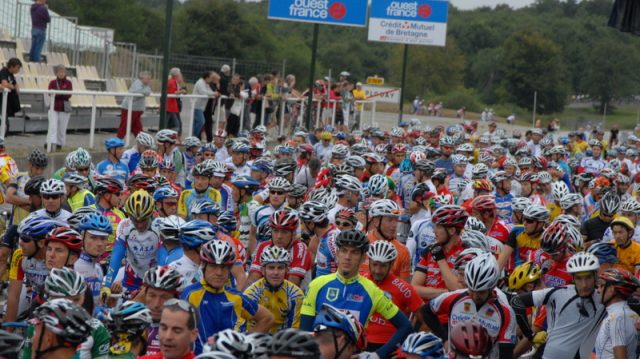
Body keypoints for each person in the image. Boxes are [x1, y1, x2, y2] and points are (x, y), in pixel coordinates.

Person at [300, 229, 412, 359]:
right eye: (344, 251)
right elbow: (305, 331)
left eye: (354, 252)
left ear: (363, 258)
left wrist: (377, 355)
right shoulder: (317, 284)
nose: (347, 257)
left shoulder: (372, 290)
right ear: (337, 253)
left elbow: (405, 326)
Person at [181, 240, 274, 354]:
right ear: (203, 266)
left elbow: (267, 318)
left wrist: (247, 346)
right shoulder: (189, 294)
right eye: (213, 266)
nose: (219, 272)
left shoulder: (236, 297)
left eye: (224, 267)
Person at [510, 251, 605, 359]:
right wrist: (530, 336)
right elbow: (516, 301)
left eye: (588, 277)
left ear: (595, 276)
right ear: (572, 278)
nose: (584, 285)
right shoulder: (558, 293)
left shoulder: (604, 298)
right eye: (579, 278)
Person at [422, 252, 516, 358]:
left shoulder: (506, 312)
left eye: (480, 292)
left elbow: (506, 352)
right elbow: (426, 311)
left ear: (491, 287)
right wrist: (445, 338)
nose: (475, 296)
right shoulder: (455, 297)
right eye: (471, 290)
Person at [363, 240, 423, 352]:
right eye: (374, 264)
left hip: (390, 346)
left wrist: (410, 345)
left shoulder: (404, 288)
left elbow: (426, 319)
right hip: (362, 342)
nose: (377, 270)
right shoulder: (361, 281)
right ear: (369, 261)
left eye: (383, 266)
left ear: (392, 264)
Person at [243, 245, 304, 334]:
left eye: (280, 268)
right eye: (271, 267)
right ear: (263, 270)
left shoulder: (296, 294)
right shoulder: (251, 293)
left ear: (287, 270)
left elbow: (294, 329)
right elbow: (241, 326)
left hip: (282, 342)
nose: (276, 272)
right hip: (255, 340)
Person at [248, 208, 312, 288]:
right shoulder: (263, 246)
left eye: (284, 232)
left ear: (294, 234)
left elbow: (293, 283)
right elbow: (253, 279)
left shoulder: (300, 248)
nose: (279, 236)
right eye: (275, 231)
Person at [594, 268, 640, 359]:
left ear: (611, 289)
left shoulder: (617, 317)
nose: (598, 290)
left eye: (601, 286)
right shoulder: (630, 314)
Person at [139, 266, 183, 356]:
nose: (156, 304)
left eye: (164, 297)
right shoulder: (130, 324)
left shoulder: (183, 332)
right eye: (152, 295)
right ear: (145, 294)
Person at [75, 212, 112, 302]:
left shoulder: (99, 268)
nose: (99, 243)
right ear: (82, 237)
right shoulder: (73, 266)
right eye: (93, 237)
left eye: (103, 239)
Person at [118, 72, 152, 139]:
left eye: (149, 79)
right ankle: (118, 140)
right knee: (125, 125)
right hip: (130, 108)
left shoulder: (145, 85)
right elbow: (139, 92)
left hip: (136, 109)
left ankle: (142, 141)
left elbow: (148, 91)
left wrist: (145, 91)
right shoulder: (137, 83)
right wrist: (145, 91)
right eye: (147, 78)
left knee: (136, 127)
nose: (149, 80)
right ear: (142, 78)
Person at [46, 65, 72, 151]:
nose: (61, 73)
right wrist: (61, 94)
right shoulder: (52, 82)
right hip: (53, 107)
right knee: (52, 126)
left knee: (62, 128)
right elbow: (50, 93)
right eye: (59, 72)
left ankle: (59, 144)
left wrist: (58, 94)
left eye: (63, 72)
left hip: (64, 108)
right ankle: (51, 143)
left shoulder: (68, 83)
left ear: (65, 73)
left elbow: (68, 94)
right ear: (56, 73)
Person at [192, 71, 219, 138]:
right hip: (196, 106)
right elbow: (203, 92)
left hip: (201, 107)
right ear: (206, 77)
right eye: (210, 78)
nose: (211, 80)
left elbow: (210, 91)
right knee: (201, 121)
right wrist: (213, 93)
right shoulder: (200, 83)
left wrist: (214, 93)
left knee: (197, 122)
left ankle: (194, 135)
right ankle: (194, 135)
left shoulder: (206, 84)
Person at [0, 58, 22, 135]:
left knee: (5, 124)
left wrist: (16, 87)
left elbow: (15, 84)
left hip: (6, 102)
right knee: (3, 123)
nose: (18, 70)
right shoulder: (3, 72)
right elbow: (4, 84)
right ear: (12, 66)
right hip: (1, 101)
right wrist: (12, 87)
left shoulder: (11, 75)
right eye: (17, 68)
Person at [166, 68, 186, 136]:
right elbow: (172, 93)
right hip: (170, 107)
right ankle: (173, 137)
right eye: (180, 74)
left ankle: (174, 138)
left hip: (172, 107)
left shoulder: (174, 82)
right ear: (177, 75)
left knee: (174, 124)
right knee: (176, 124)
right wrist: (181, 91)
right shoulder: (172, 82)